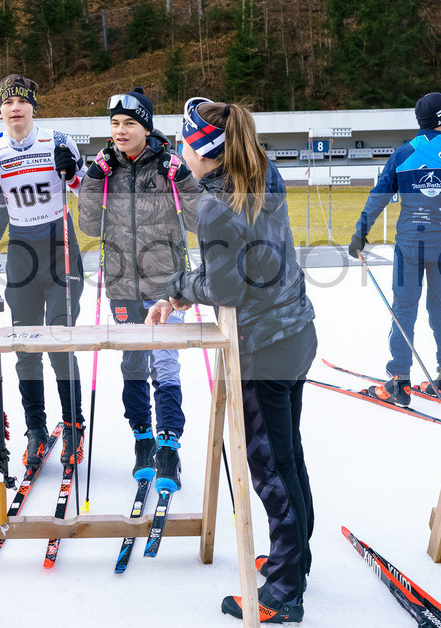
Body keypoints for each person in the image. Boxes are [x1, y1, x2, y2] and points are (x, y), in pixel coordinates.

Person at [146, 99, 316, 623]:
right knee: (289, 457)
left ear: (203, 150)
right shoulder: (263, 169)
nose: (179, 152)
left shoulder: (217, 206)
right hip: (296, 335)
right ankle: (295, 560)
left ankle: (285, 590)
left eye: (184, 143)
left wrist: (177, 288)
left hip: (264, 347)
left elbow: (224, 286)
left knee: (270, 468)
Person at [77, 87, 201, 494]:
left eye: (130, 123)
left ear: (145, 126)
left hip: (167, 285)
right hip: (121, 283)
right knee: (132, 362)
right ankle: (143, 437)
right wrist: (93, 180)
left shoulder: (167, 163)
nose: (120, 130)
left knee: (164, 361)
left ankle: (169, 443)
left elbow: (201, 220)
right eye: (114, 124)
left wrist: (182, 176)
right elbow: (88, 226)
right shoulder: (106, 168)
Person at [348, 93, 441, 406]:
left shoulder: (402, 153)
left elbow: (378, 198)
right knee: (440, 311)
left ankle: (399, 383)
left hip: (409, 246)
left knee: (403, 311)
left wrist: (360, 234)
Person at [0, 74, 87, 468]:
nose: (14, 107)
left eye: (22, 100)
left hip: (60, 248)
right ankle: (35, 429)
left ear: (33, 106)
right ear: (0, 110)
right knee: (26, 349)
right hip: (21, 251)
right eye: (7, 102)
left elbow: (87, 197)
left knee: (58, 341)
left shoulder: (57, 140)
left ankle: (73, 426)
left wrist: (72, 174)